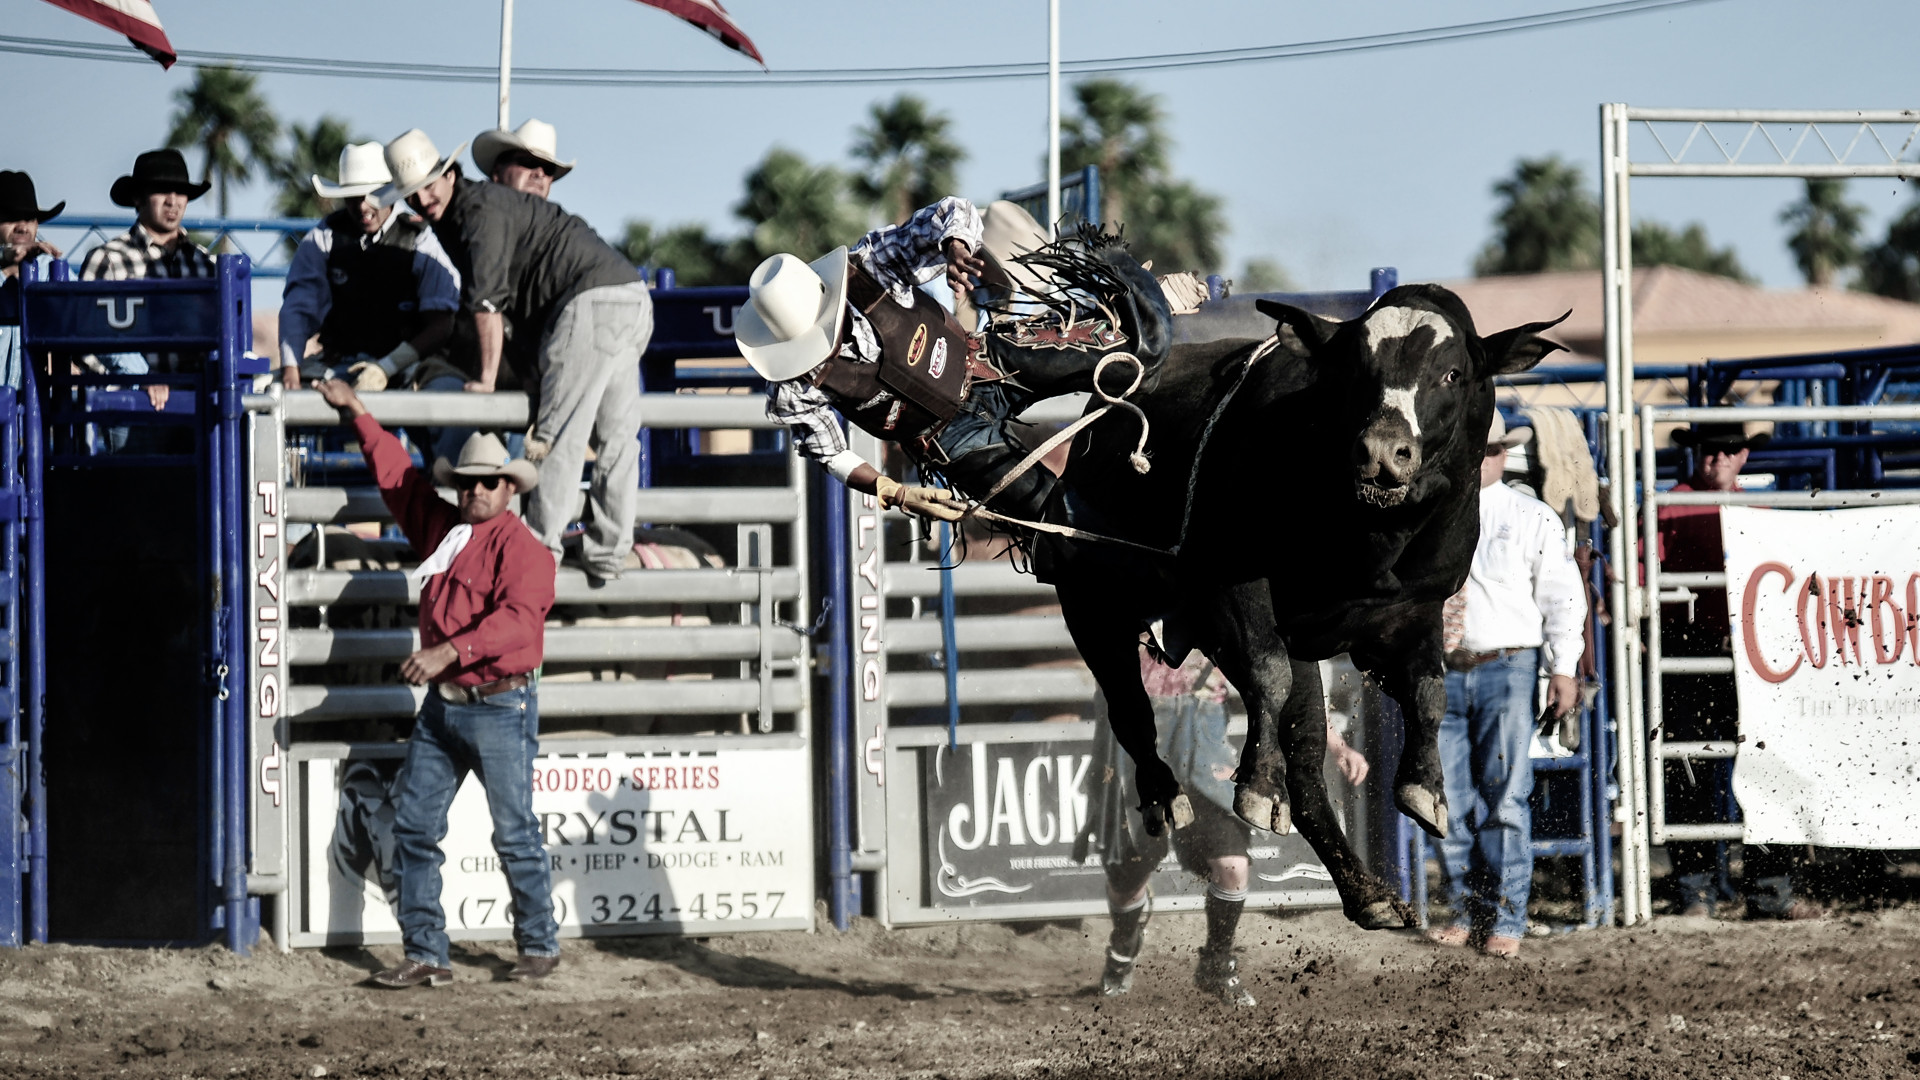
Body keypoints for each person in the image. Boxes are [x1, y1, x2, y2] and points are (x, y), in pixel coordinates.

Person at [315, 377, 559, 988]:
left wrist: (448, 651)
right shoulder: (443, 528)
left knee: (514, 832)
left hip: (498, 703)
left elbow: (518, 621)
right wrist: (358, 412)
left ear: (509, 487)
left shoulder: (524, 551)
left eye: (487, 482)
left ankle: (538, 943)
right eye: (467, 482)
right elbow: (397, 474)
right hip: (449, 705)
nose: (475, 490)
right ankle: (427, 953)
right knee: (415, 826)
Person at [740, 196, 1169, 534]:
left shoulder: (869, 268)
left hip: (988, 361)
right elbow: (830, 451)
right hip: (949, 441)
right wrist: (893, 491)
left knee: (1139, 355)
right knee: (1061, 524)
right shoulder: (792, 387)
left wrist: (955, 247)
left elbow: (952, 211)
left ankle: (1122, 271)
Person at [377, 129, 651, 581]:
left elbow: (487, 302)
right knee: (617, 436)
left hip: (586, 302)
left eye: (429, 186)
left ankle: (537, 555)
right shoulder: (486, 210)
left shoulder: (477, 212)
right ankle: (608, 553)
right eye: (412, 193)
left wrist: (487, 379)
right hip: (630, 295)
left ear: (450, 174)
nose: (423, 199)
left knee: (557, 435)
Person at [1084, 648, 1371, 1007]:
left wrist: (1338, 747)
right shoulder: (1121, 621)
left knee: (1232, 866)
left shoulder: (1219, 625)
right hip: (1136, 753)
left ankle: (1217, 963)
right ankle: (1123, 945)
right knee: (1128, 875)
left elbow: (1283, 688)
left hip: (1202, 757)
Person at [1426, 413, 1585, 958]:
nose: (1481, 458)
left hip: (1506, 664)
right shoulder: (1431, 511)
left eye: (1490, 449)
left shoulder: (1529, 516)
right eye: (1474, 447)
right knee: (1446, 797)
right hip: (1442, 667)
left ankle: (1503, 917)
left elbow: (1562, 595)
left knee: (1504, 797)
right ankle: (1470, 911)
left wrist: (1563, 667)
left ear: (1501, 455)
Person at [1657, 421, 1826, 921]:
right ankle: (1698, 891)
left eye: (1729, 449)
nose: (1719, 457)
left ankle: (1766, 890)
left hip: (1753, 645)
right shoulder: (1670, 505)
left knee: (1763, 763)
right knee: (1693, 765)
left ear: (1743, 456)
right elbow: (1648, 576)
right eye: (1711, 449)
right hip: (1691, 642)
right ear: (1698, 454)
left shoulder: (1755, 511)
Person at [80, 148, 215, 447]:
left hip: (196, 402)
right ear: (138, 199)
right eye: (161, 190)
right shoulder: (109, 259)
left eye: (180, 192)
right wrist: (134, 378)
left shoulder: (204, 263)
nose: (173, 200)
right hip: (132, 408)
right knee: (136, 477)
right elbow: (81, 336)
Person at [0, 170, 65, 388]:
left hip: (40, 401)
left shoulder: (53, 270)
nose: (22, 227)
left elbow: (89, 322)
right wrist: (5, 259)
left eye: (29, 218)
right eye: (11, 218)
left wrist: (144, 376)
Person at [472, 119, 573, 201]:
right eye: (529, 162)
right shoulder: (472, 210)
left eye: (548, 169)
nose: (539, 174)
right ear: (497, 172)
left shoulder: (558, 220)